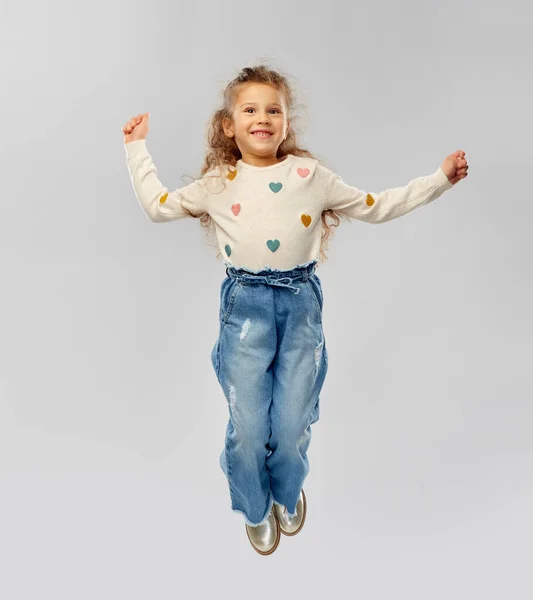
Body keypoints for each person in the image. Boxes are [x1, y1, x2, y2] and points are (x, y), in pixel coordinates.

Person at [122, 64, 469, 556]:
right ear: (229, 125)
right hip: (245, 310)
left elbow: (377, 204)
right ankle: (255, 505)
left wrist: (439, 180)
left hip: (301, 306)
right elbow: (157, 205)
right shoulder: (218, 183)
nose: (262, 118)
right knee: (247, 427)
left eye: (274, 110)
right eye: (250, 109)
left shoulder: (310, 176)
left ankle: (286, 490)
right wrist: (136, 148)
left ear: (286, 123)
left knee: (291, 423)